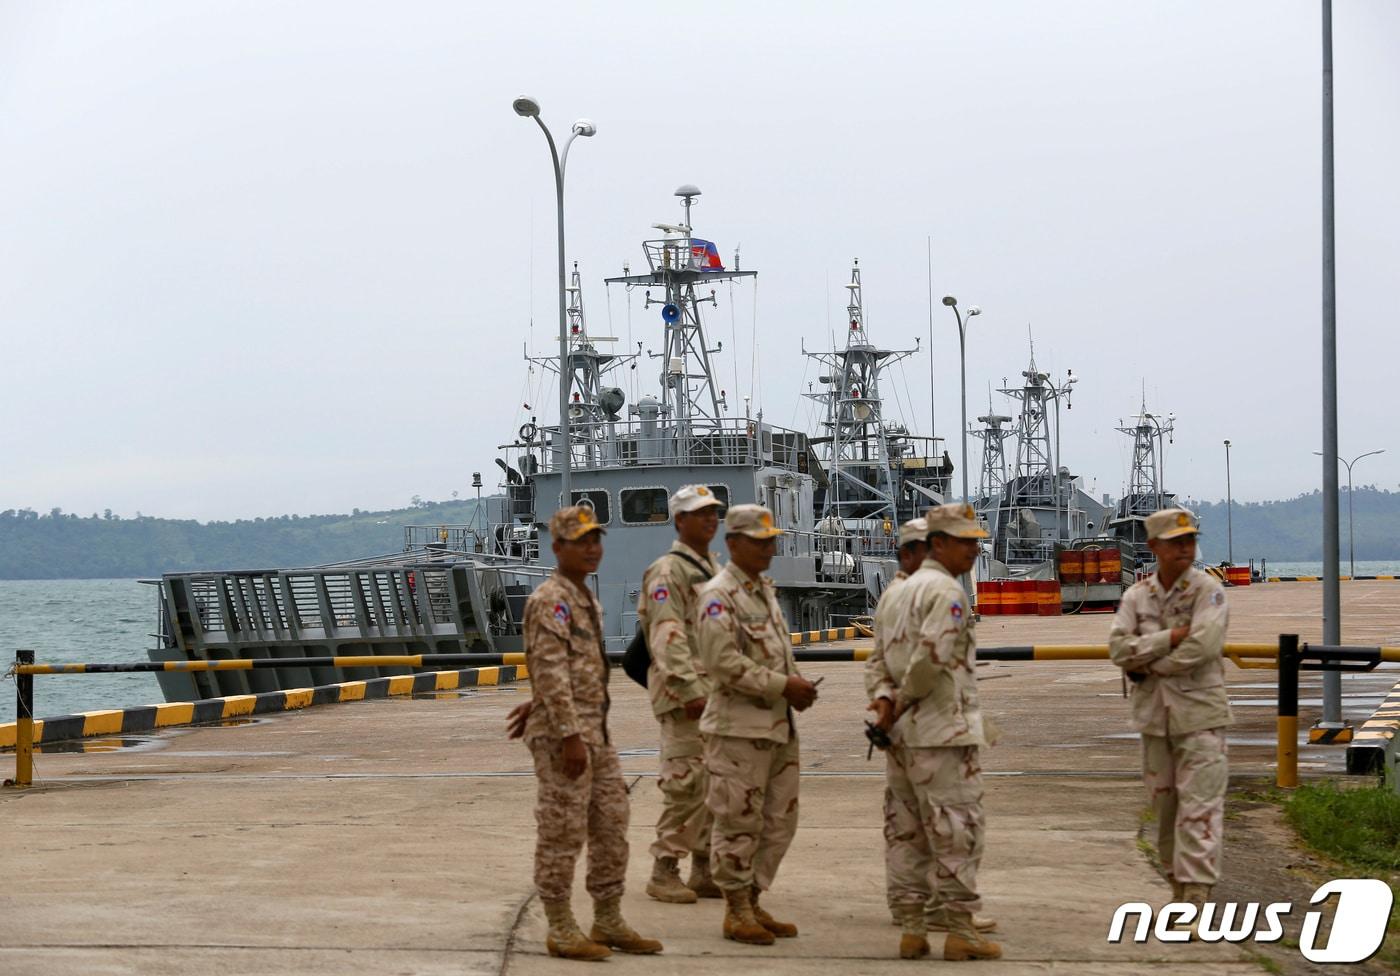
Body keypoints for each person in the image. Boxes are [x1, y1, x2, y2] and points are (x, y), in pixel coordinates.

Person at [516, 505, 663, 961]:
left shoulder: (585, 598)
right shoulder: (551, 599)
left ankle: (608, 917)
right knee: (562, 830)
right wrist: (567, 733)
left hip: (591, 730)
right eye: (580, 541)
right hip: (568, 736)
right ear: (557, 547)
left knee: (612, 821)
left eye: (595, 539)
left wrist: (545, 703)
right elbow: (550, 668)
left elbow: (561, 671)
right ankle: (560, 926)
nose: (591, 548)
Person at [865, 503, 1002, 961]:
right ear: (937, 544)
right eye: (965, 541)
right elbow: (931, 658)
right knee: (956, 830)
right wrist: (901, 700)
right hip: (942, 733)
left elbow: (877, 661)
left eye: (975, 540)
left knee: (906, 833)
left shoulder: (896, 594)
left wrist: (886, 705)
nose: (975, 549)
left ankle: (912, 927)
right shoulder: (948, 593)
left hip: (900, 736)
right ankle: (961, 931)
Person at [694, 503, 819, 946]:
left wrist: (791, 690)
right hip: (738, 731)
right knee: (737, 820)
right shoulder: (718, 596)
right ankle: (735, 909)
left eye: (771, 541)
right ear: (732, 544)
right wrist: (783, 685)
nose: (769, 548)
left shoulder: (762, 590)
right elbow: (722, 662)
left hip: (776, 727)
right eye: (759, 541)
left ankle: (753, 895)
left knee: (780, 820)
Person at [1109, 507, 1231, 908]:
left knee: (1199, 810)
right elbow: (1117, 649)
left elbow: (1204, 645)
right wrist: (1169, 638)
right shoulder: (1135, 596)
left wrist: (1151, 662)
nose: (1186, 548)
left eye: (1190, 540)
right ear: (1153, 546)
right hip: (1154, 721)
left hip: (1200, 719)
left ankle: (1196, 897)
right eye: (1176, 541)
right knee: (1163, 813)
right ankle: (1177, 889)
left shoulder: (1208, 590)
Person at [638, 485, 725, 903]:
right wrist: (689, 688)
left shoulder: (711, 567)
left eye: (714, 512)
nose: (710, 519)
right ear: (679, 521)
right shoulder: (668, 572)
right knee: (686, 784)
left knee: (712, 785)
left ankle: (703, 869)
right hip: (685, 695)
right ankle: (664, 869)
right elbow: (666, 635)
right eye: (699, 513)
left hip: (714, 694)